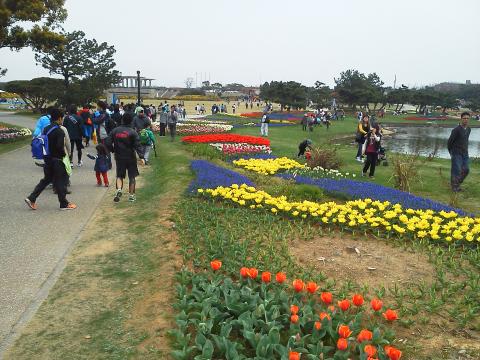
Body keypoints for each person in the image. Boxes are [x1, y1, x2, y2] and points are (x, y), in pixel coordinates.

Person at [25, 108, 77, 210]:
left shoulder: (46, 129)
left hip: (47, 159)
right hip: (57, 160)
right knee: (61, 181)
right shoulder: (60, 131)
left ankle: (31, 198)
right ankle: (64, 204)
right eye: (62, 118)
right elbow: (59, 146)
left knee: (46, 180)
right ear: (60, 118)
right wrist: (64, 156)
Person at [105, 112, 145, 203]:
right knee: (132, 176)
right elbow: (137, 145)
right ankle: (131, 196)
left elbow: (107, 142)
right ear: (131, 121)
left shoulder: (115, 130)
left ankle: (119, 190)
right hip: (130, 157)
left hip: (119, 156)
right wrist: (141, 157)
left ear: (122, 120)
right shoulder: (133, 132)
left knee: (119, 175)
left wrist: (113, 149)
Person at [447, 112, 471, 192]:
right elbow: (450, 142)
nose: (466, 120)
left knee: (466, 169)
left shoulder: (469, 129)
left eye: (467, 118)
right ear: (461, 119)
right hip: (456, 152)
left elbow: (465, 141)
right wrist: (451, 152)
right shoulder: (456, 130)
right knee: (456, 170)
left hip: (465, 153)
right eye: (464, 118)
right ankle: (454, 187)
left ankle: (456, 184)